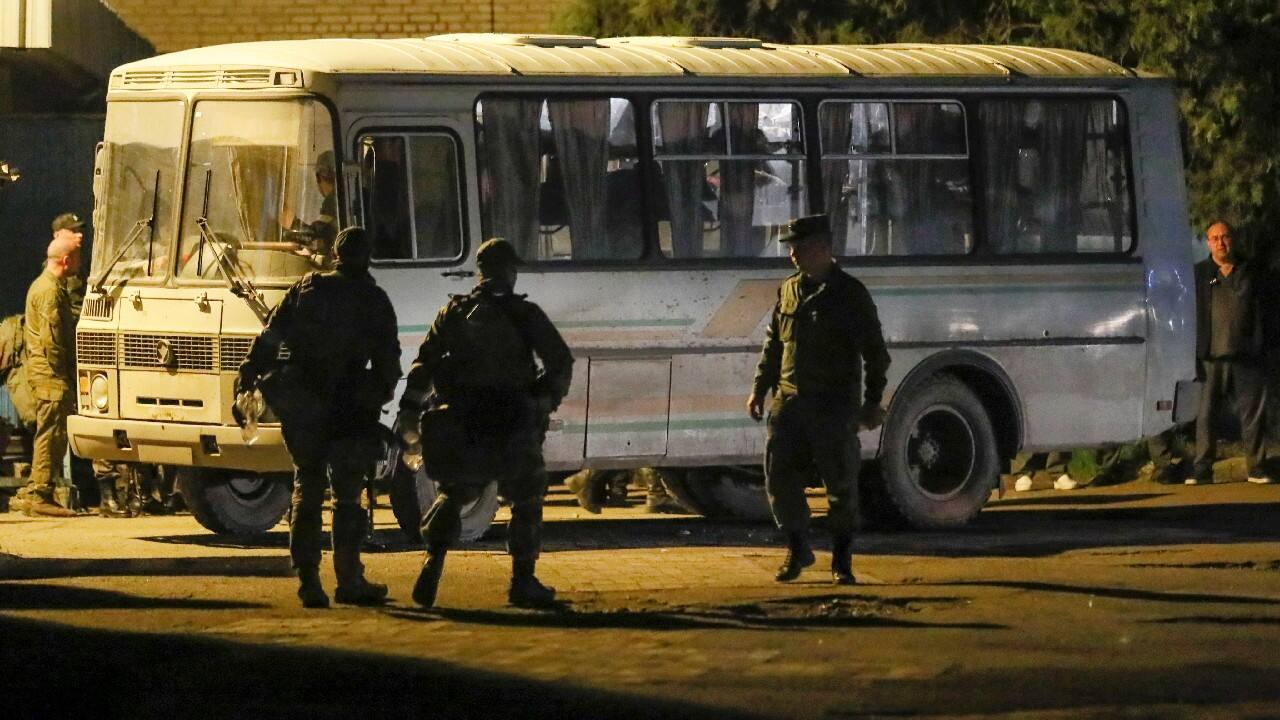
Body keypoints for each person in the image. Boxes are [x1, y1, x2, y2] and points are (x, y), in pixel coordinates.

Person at [399, 238, 573, 609]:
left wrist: (410, 411)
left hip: (463, 422)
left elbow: (423, 365)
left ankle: (433, 561)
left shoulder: (454, 312)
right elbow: (561, 362)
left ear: (481, 271)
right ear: (509, 271)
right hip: (512, 422)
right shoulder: (525, 314)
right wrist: (541, 400)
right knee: (526, 496)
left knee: (454, 493)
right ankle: (522, 581)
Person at [237, 227, 401, 608]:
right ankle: (349, 579)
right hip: (349, 408)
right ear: (366, 256)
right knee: (347, 496)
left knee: (306, 490)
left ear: (335, 255)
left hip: (305, 403)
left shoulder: (308, 288)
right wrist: (377, 396)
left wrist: (250, 369)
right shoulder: (374, 299)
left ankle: (309, 581)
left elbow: (272, 335)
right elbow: (388, 363)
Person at [747, 214, 890, 585]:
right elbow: (774, 344)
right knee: (779, 479)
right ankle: (798, 550)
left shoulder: (851, 295)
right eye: (792, 249)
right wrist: (760, 388)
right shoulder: (789, 290)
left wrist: (872, 402)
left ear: (825, 250)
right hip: (790, 403)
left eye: (801, 248)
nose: (793, 255)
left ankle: (842, 562)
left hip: (833, 406)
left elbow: (875, 353)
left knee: (840, 485)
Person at [1188, 221, 1273, 485]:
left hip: (1248, 356)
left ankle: (1257, 468)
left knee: (1253, 416)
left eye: (1225, 237)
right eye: (1215, 238)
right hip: (1210, 357)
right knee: (1206, 415)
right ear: (1207, 242)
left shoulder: (1253, 272)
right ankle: (1202, 468)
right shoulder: (1200, 274)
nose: (1221, 242)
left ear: (1233, 239)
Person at [12, 215, 85, 517]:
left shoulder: (43, 286)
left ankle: (36, 490)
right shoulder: (50, 291)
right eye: (77, 257)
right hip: (52, 376)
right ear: (66, 260)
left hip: (46, 374)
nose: (80, 262)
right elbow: (52, 340)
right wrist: (65, 372)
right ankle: (39, 492)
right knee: (51, 435)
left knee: (51, 434)